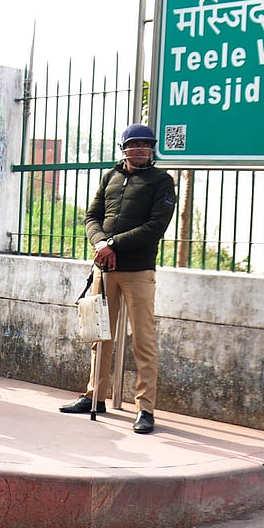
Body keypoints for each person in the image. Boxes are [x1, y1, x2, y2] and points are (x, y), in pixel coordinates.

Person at [60, 123, 177, 435]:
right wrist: (100, 243)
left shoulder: (162, 181)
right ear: (123, 148)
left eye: (145, 145)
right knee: (101, 336)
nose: (140, 150)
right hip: (105, 268)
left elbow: (155, 227)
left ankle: (145, 408)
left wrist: (114, 245)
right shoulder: (110, 177)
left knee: (143, 340)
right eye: (134, 145)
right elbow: (91, 217)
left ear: (152, 149)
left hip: (138, 270)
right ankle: (94, 396)